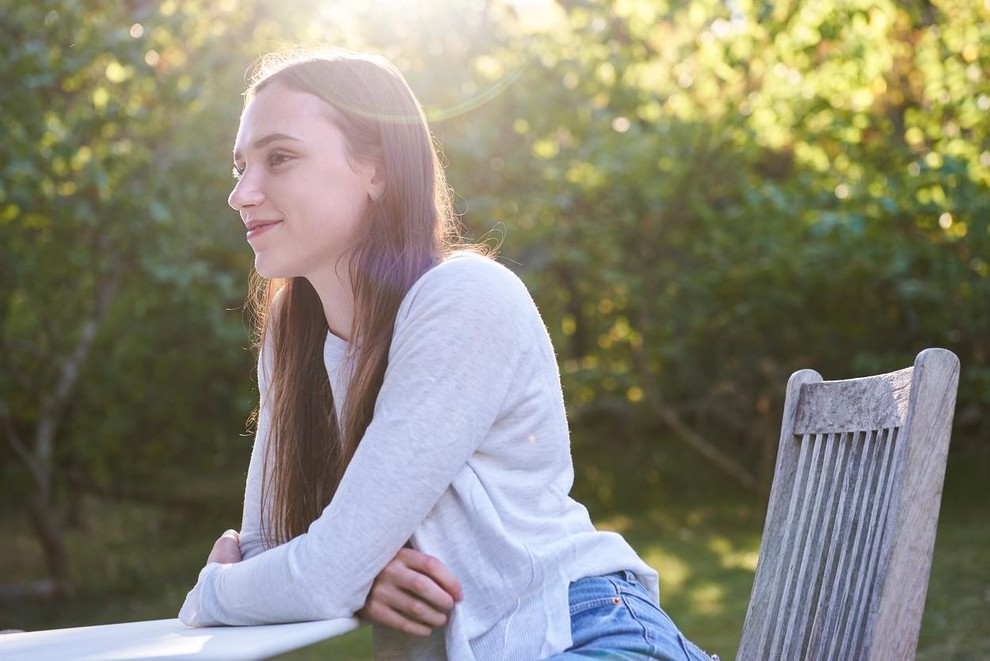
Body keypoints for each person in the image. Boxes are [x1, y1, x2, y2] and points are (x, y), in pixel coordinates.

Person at [178, 47, 714, 661]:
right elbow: (270, 550)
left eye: (279, 158)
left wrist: (213, 592)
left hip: (580, 629)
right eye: (240, 166)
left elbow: (299, 574)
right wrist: (354, 575)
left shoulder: (462, 300)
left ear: (376, 166)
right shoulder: (292, 332)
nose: (242, 194)